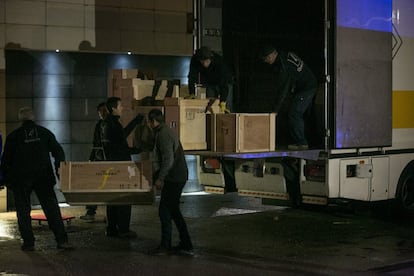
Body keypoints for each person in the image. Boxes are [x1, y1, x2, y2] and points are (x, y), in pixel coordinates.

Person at [0, 107, 72, 251]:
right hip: (43, 176)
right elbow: (58, 152)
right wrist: (60, 171)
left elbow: (5, 161)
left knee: (23, 211)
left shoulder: (14, 136)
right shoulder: (44, 133)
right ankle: (61, 240)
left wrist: (6, 180)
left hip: (21, 179)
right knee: (51, 208)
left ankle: (28, 242)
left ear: (21, 119)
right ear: (33, 118)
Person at [148, 108, 193, 256]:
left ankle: (165, 245)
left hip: (174, 177)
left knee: (165, 211)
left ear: (153, 121)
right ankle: (186, 243)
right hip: (178, 176)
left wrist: (160, 178)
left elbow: (168, 159)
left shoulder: (163, 135)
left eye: (149, 122)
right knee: (173, 210)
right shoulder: (164, 131)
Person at [101, 97, 143, 238]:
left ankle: (112, 228)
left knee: (113, 199)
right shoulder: (113, 124)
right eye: (120, 105)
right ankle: (124, 229)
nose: (122, 108)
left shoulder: (106, 124)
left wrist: (135, 123)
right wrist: (136, 150)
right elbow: (120, 146)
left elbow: (119, 139)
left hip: (111, 166)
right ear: (113, 108)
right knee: (125, 198)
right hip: (120, 165)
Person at [261, 45, 317, 150]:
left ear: (271, 55)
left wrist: (275, 110)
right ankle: (308, 140)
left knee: (294, 113)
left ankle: (302, 143)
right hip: (306, 84)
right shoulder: (285, 54)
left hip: (307, 87)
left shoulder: (283, 65)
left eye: (266, 59)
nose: (266, 62)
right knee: (301, 113)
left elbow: (283, 90)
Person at [80, 102, 109, 221]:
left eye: (103, 111)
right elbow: (95, 143)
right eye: (100, 112)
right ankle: (91, 211)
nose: (101, 114)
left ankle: (94, 212)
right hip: (99, 159)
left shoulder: (109, 125)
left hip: (107, 160)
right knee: (93, 185)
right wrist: (92, 158)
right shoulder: (100, 125)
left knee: (107, 186)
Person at [188, 46, 234, 113]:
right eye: (202, 62)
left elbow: (224, 83)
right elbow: (192, 76)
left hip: (225, 81)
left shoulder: (219, 62)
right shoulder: (195, 60)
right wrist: (192, 92)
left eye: (206, 61)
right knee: (210, 105)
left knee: (226, 107)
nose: (204, 64)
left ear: (211, 59)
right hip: (210, 83)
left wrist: (223, 101)